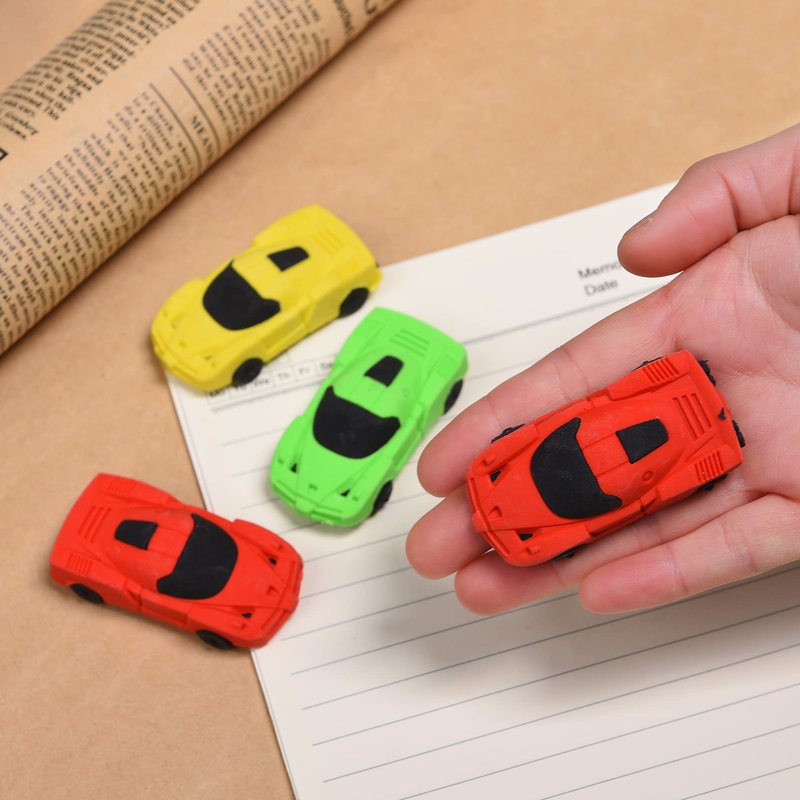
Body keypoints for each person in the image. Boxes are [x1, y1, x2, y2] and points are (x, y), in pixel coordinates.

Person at [407, 124, 800, 616]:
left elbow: (602, 433)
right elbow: (584, 433)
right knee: (641, 476)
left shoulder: (511, 495)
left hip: (636, 441)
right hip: (626, 438)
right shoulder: (502, 485)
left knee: (642, 474)